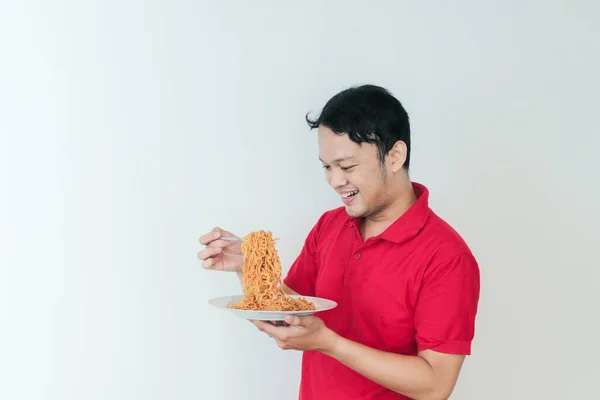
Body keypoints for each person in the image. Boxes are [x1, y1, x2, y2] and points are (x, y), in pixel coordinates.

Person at [198, 84, 480, 400]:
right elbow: (293, 312)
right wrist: (249, 267)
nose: (335, 181)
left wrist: (329, 343)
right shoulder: (329, 226)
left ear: (395, 156)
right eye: (327, 167)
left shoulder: (446, 256)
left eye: (347, 167)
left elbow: (436, 385)